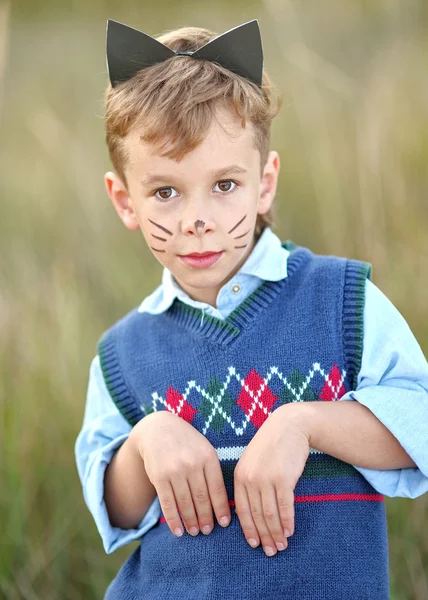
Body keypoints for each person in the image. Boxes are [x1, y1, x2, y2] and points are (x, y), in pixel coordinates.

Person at [75, 19, 428, 600]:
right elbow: (113, 504)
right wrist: (146, 440)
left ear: (264, 184)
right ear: (124, 200)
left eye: (224, 185)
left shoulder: (341, 301)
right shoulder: (123, 352)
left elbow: (416, 424)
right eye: (166, 191)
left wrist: (305, 423)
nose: (198, 218)